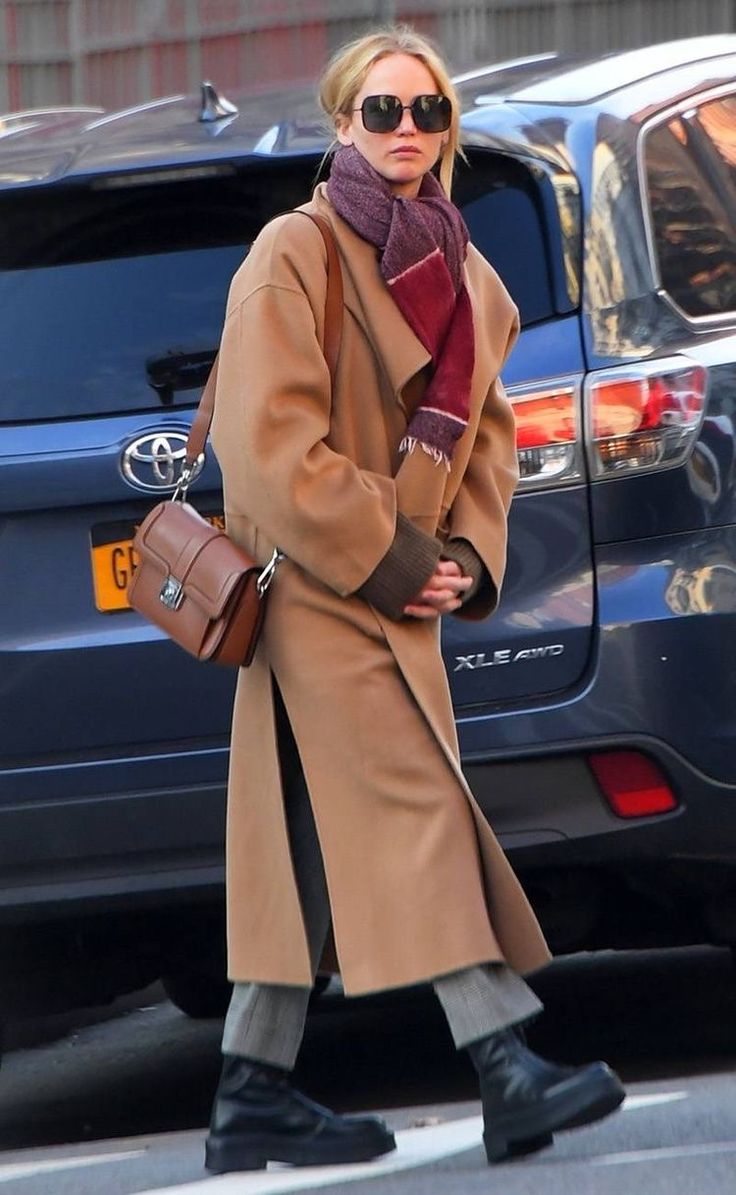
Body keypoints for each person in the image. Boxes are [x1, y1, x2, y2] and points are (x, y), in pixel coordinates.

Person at [205, 25, 625, 1175]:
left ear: (449, 129)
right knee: (416, 808)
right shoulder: (294, 251)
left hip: (402, 591)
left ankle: (251, 1091)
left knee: (300, 840)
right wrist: (396, 555)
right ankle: (506, 1067)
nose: (406, 132)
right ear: (343, 123)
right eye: (381, 112)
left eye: (427, 112)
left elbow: (488, 440)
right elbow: (264, 444)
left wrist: (466, 563)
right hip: (314, 581)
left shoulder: (470, 276)